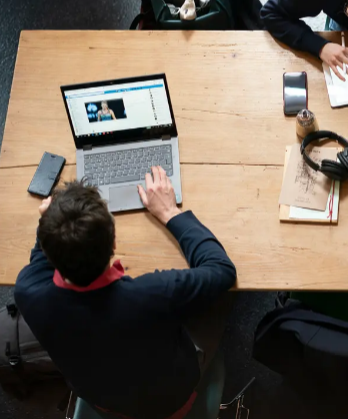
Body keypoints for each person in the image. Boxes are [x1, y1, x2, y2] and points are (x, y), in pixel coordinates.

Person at [14, 167, 237, 419]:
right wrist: (170, 212)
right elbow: (221, 270)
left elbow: (39, 262)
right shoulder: (152, 295)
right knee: (228, 297)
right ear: (114, 242)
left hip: (105, 404)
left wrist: (51, 221)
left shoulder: (28, 291)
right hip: (173, 401)